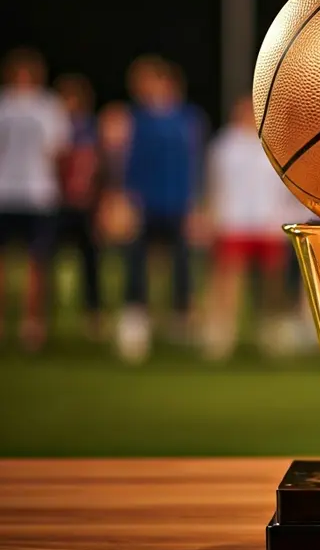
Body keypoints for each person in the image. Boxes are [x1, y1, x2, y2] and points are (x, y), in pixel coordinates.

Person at [114, 56, 206, 363]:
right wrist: (125, 200)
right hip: (144, 203)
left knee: (182, 264)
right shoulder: (137, 119)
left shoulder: (188, 119)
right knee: (136, 263)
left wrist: (196, 205)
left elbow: (195, 166)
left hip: (178, 203)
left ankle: (180, 323)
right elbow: (130, 163)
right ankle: (135, 321)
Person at [200, 94, 294, 361]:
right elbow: (214, 183)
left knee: (273, 282)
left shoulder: (273, 143)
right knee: (229, 279)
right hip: (235, 221)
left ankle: (273, 332)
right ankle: (221, 334)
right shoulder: (224, 145)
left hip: (267, 222)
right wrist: (211, 215)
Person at [0, 47, 70, 351]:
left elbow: (57, 151)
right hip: (5, 192)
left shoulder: (48, 107)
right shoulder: (4, 104)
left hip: (39, 193)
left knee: (37, 262)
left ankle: (32, 324)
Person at [53, 73, 105, 339]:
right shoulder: (53, 126)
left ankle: (92, 315)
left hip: (85, 204)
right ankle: (47, 314)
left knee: (91, 260)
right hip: (56, 203)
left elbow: (100, 168)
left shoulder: (90, 128)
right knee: (47, 258)